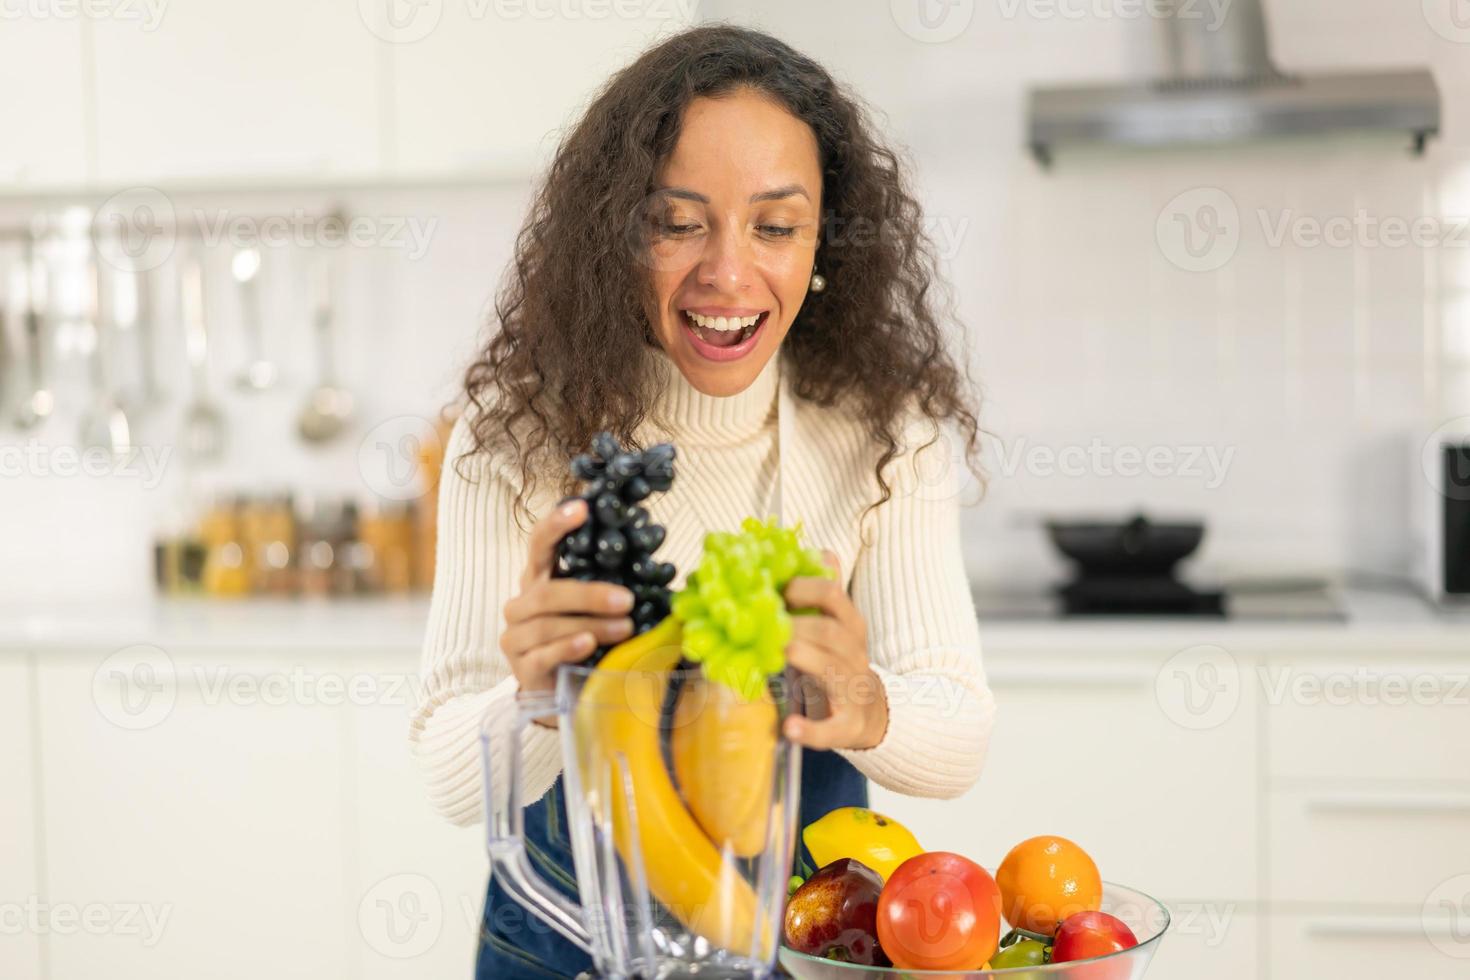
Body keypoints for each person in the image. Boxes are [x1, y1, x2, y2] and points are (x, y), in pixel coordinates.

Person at [410, 24, 996, 979]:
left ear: (824, 243)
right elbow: (446, 772)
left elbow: (959, 740)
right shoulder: (511, 434)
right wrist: (533, 701)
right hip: (558, 938)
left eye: (775, 225)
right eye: (677, 222)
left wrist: (864, 699)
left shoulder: (888, 434)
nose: (727, 274)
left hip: (817, 937)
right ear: (614, 233)